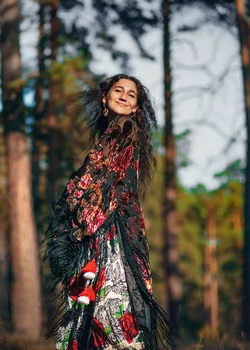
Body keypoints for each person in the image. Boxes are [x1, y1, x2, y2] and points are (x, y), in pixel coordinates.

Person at [42, 74, 176, 349]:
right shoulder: (114, 132)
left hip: (111, 237)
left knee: (109, 319)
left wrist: (69, 216)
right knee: (97, 319)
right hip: (102, 232)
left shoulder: (125, 128)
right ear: (105, 97)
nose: (125, 95)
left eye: (132, 94)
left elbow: (94, 180)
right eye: (119, 90)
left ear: (136, 107)